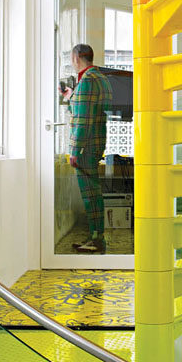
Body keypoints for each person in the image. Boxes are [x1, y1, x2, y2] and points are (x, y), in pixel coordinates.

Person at [61, 44, 112, 253]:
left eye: (71, 58)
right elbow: (89, 109)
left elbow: (82, 120)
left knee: (90, 194)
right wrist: (71, 96)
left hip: (86, 146)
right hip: (96, 141)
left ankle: (96, 239)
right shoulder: (100, 77)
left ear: (76, 58)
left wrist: (75, 151)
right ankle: (96, 236)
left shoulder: (87, 81)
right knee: (94, 191)